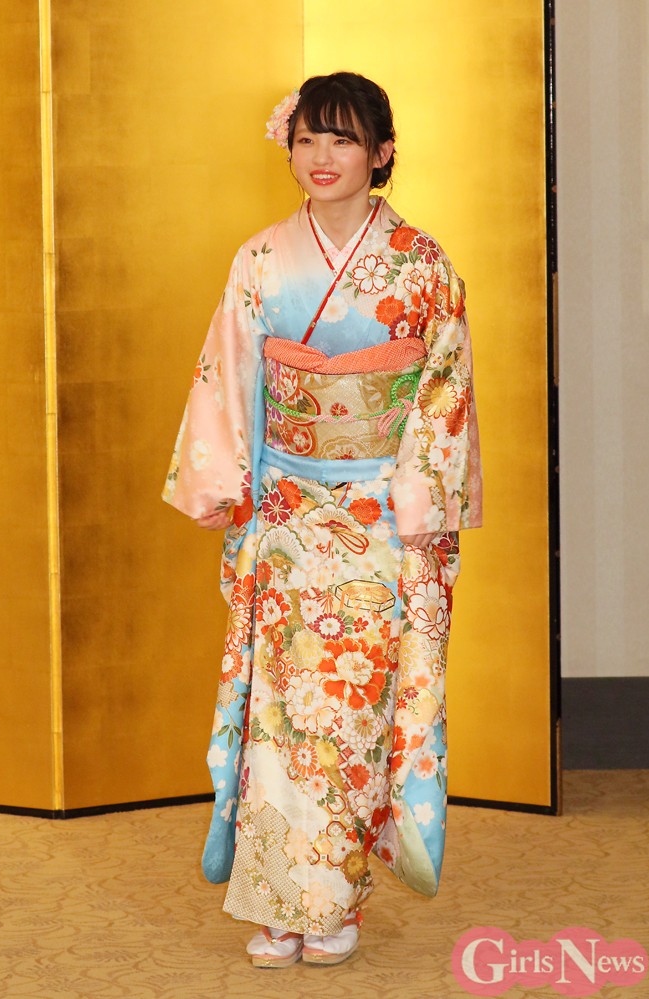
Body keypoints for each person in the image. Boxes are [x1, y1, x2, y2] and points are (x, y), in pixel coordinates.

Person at [162, 71, 482, 968]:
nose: (322, 156)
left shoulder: (422, 264)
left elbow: (443, 389)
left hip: (379, 517)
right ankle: (277, 898)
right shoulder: (261, 258)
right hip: (287, 515)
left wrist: (418, 508)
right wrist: (226, 482)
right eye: (307, 138)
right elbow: (229, 369)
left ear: (381, 152)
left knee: (348, 708)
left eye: (342, 139)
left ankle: (331, 896)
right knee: (280, 710)